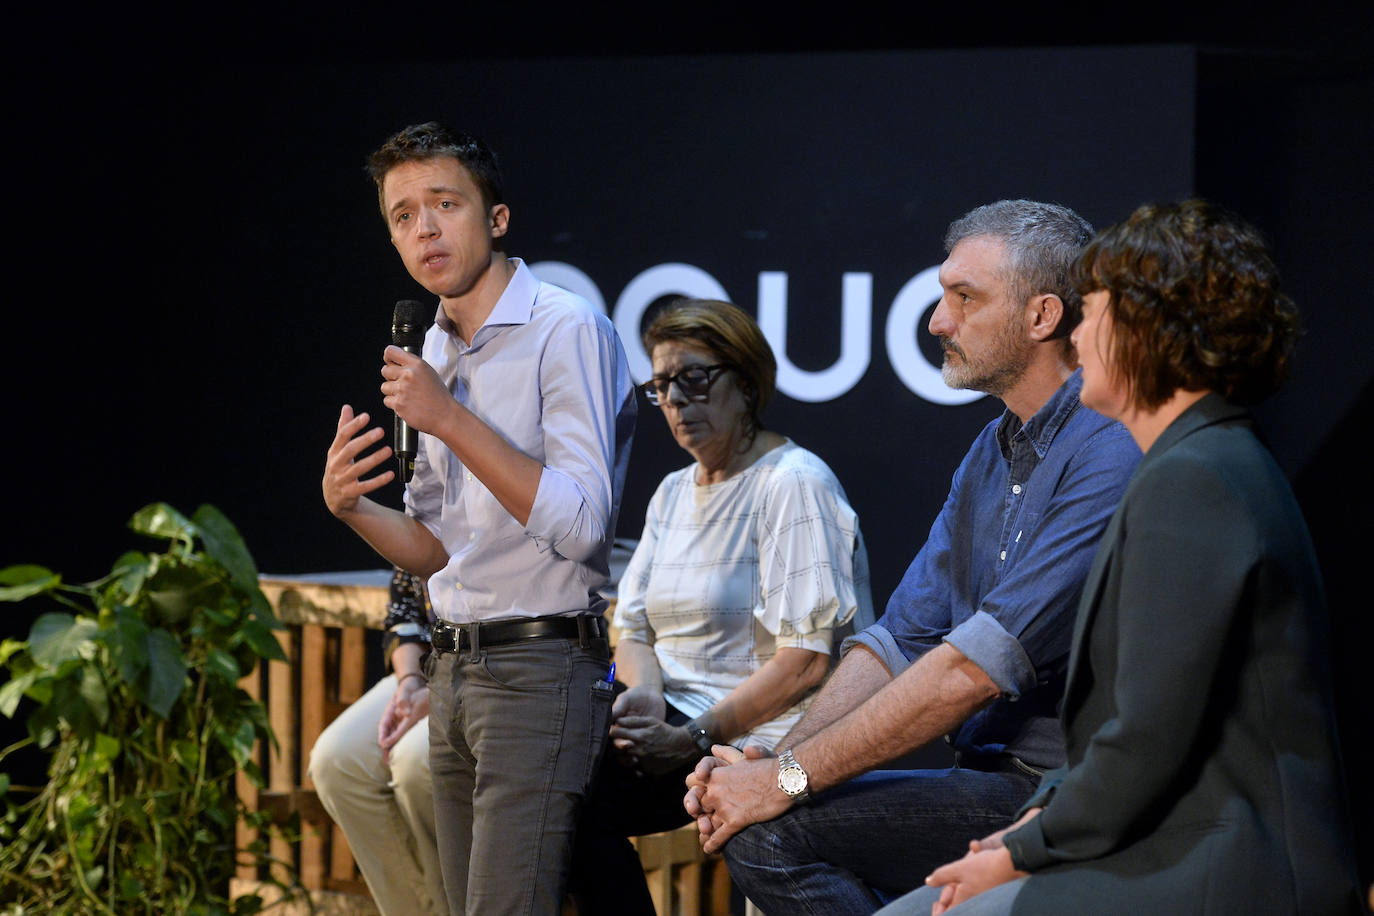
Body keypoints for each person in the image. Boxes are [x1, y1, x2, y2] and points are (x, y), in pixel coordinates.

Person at [878, 200, 1363, 916]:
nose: (1077, 332)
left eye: (1094, 308)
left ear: (1149, 330)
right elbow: (1118, 734)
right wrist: (1023, 833)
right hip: (1166, 842)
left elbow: (1143, 741)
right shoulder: (1193, 461)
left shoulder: (1193, 477)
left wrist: (1016, 854)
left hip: (1218, 864)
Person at [685, 200, 1143, 912]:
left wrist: (784, 782)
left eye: (965, 298)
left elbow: (971, 672)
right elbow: (899, 640)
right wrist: (774, 765)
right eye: (941, 296)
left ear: (1042, 316)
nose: (937, 321)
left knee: (771, 832)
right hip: (986, 779)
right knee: (765, 825)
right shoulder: (989, 452)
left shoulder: (1108, 449)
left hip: (1062, 797)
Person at [321, 122, 636, 915]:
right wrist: (351, 509)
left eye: (445, 204)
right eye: (402, 215)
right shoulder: (433, 348)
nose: (424, 228)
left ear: (496, 219)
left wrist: (452, 420)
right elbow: (432, 550)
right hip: (453, 668)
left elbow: (583, 524)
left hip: (539, 670)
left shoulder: (566, 330)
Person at [567, 299, 874, 914]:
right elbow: (632, 624)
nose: (677, 400)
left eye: (695, 378)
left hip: (761, 738)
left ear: (746, 382)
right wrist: (646, 695)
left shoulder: (792, 482)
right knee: (550, 781)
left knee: (563, 783)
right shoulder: (674, 491)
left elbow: (808, 663)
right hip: (676, 720)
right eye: (662, 386)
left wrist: (687, 739)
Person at [307, 568, 444, 916]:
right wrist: (410, 682)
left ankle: (457, 906)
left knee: (416, 762)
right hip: (423, 666)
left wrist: (442, 692)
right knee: (337, 760)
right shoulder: (426, 511)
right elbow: (404, 612)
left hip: (486, 668)